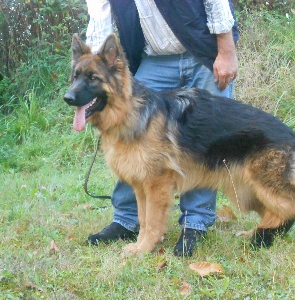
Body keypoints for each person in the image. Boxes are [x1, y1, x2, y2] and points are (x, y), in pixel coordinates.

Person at [85, 0, 239, 257]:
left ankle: (195, 223)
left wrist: (226, 50)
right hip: (153, 60)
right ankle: (126, 220)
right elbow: (99, 17)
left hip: (201, 50)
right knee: (130, 137)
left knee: (201, 144)